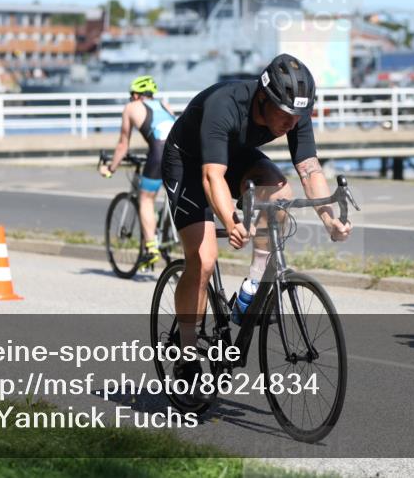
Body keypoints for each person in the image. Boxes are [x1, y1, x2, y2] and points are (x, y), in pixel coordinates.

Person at [162, 54, 351, 395]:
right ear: (263, 98)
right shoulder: (225, 105)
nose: (292, 124)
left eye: (298, 116)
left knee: (280, 190)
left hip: (235, 156)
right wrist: (230, 220)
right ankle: (186, 352)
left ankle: (251, 286)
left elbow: (309, 168)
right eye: (285, 115)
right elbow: (211, 175)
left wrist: (329, 219)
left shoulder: (295, 113)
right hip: (189, 163)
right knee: (203, 260)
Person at [99, 76, 176, 267]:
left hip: (158, 152)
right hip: (180, 150)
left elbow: (123, 144)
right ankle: (169, 232)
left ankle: (151, 247)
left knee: (146, 198)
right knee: (173, 194)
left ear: (135, 95)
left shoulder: (131, 108)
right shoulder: (165, 105)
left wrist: (111, 168)